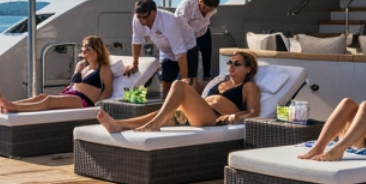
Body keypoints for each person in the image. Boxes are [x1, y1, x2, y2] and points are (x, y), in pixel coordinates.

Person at [98, 49, 260, 132]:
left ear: (248, 68)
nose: (231, 66)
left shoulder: (248, 86)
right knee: (160, 112)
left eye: (237, 64)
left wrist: (233, 116)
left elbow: (254, 112)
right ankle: (118, 125)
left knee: (178, 85)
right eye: (230, 63)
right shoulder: (221, 81)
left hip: (214, 118)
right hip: (200, 112)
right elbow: (199, 92)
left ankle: (155, 125)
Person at [0, 36, 113, 112]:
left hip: (84, 100)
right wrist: (78, 69)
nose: (85, 53)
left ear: (98, 51)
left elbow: (108, 91)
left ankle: (14, 107)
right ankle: (11, 104)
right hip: (71, 94)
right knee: (42, 97)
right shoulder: (82, 66)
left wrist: (97, 105)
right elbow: (73, 84)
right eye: (83, 50)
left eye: (88, 51)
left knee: (48, 101)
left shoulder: (103, 68)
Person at [128, 0, 195, 90]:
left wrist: (184, 78)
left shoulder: (169, 22)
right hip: (167, 52)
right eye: (139, 17)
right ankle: (165, 103)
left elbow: (180, 50)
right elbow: (137, 41)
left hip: (188, 47)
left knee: (189, 83)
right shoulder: (137, 19)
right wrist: (135, 64)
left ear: (154, 12)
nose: (142, 21)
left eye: (145, 17)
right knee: (166, 82)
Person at [175, 0, 221, 90]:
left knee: (207, 50)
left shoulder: (213, 10)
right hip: (184, 33)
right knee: (190, 55)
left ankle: (206, 77)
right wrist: (190, 39)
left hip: (201, 31)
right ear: (200, 0)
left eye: (209, 10)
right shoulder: (187, 4)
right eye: (204, 7)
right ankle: (185, 79)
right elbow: (179, 23)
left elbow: (205, 21)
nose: (205, 11)